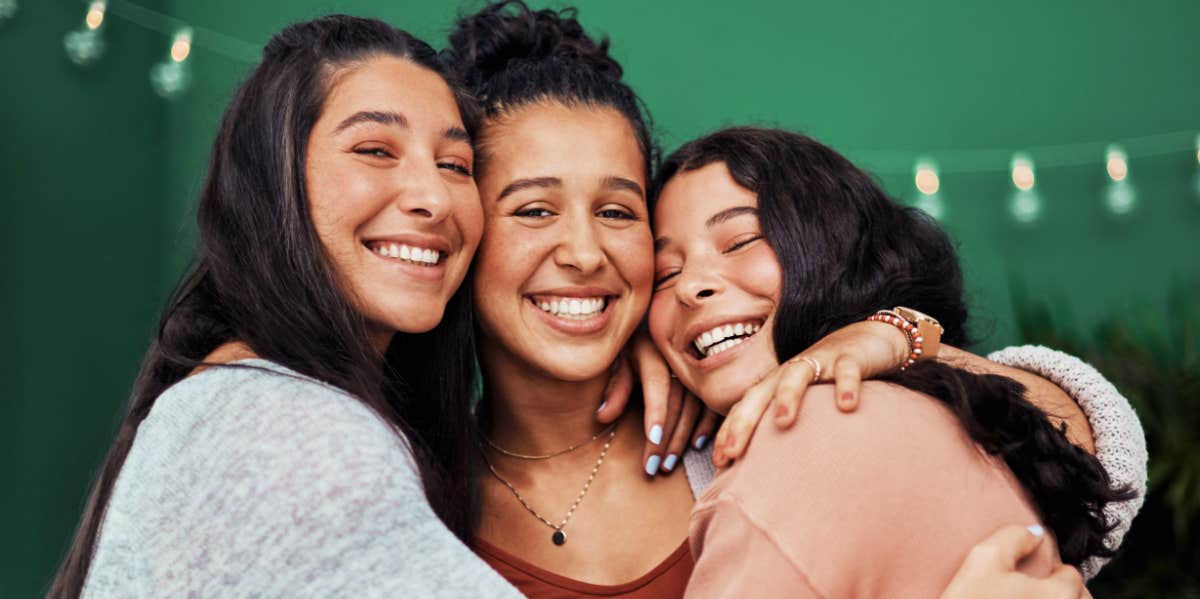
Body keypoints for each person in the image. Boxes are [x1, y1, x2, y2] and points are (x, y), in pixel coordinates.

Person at [443, 2, 1145, 597]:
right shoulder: (414, 498)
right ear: (464, 222)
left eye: (619, 213)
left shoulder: (745, 421)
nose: (586, 252)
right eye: (533, 210)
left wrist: (900, 337)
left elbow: (1100, 456)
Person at [51, 16, 523, 598]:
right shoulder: (288, 433)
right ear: (274, 183)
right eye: (375, 150)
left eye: (455, 166)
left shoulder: (225, 399)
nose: (433, 198)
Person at [647, 127, 1143, 596]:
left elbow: (1102, 457)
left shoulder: (820, 428)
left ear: (827, 246)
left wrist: (902, 336)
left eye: (739, 241)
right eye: (665, 273)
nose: (690, 285)